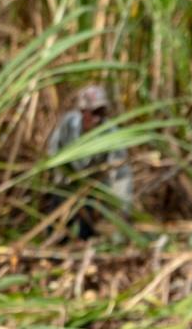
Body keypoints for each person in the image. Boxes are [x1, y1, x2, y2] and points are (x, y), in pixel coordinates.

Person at [44, 82, 133, 237]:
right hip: (67, 181)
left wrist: (123, 210)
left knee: (86, 229)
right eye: (94, 112)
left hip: (93, 187)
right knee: (56, 220)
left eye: (101, 113)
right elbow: (54, 151)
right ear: (83, 112)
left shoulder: (111, 135)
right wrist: (60, 180)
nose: (97, 118)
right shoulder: (68, 124)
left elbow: (121, 174)